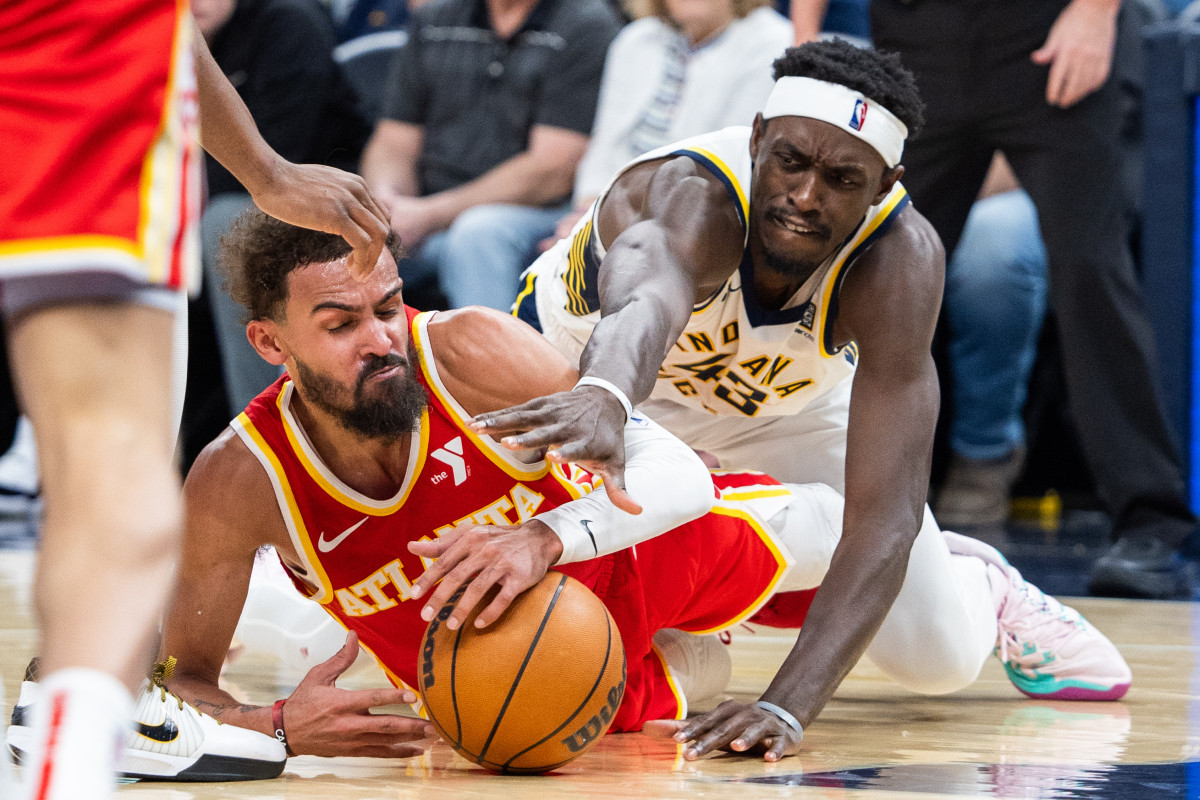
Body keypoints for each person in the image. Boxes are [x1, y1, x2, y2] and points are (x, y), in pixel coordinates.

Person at [148, 208, 1128, 769]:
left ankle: (975, 575)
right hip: (584, 668)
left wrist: (543, 540)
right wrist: (272, 726)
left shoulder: (471, 353)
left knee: (939, 655)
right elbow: (178, 689)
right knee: (289, 623)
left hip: (644, 540)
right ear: (270, 343)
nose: (380, 337)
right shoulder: (239, 482)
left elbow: (676, 477)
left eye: (389, 304)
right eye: (339, 321)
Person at [486, 39, 1130, 758]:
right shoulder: (689, 195)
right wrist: (605, 394)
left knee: (938, 662)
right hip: (599, 386)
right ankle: (707, 608)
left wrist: (785, 709)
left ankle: (978, 582)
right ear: (758, 137)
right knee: (510, 564)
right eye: (790, 162)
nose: (804, 195)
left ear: (885, 185)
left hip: (780, 409)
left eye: (841, 179)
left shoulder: (900, 262)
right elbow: (645, 300)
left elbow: (884, 514)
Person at [0, 0, 390, 795]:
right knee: (118, 485)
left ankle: (98, 696)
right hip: (70, 58)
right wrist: (268, 173)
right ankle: (90, 719)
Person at [868, 0, 1197, 598]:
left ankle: (1153, 521)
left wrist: (1096, 14)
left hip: (1045, 36)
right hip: (916, 41)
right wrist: (809, 40)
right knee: (869, 269)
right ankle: (822, 496)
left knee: (1090, 271)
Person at [359, 0, 623, 311]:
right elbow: (393, 141)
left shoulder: (586, 23)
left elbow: (552, 170)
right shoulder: (435, 19)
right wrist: (389, 203)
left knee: (478, 233)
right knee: (337, 232)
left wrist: (427, 215)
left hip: (536, 213)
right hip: (426, 213)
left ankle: (495, 356)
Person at [194, 0, 374, 416]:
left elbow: (278, 159)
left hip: (322, 206)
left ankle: (265, 425)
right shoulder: (138, 37)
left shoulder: (291, 23)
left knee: (227, 223)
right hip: (208, 202)